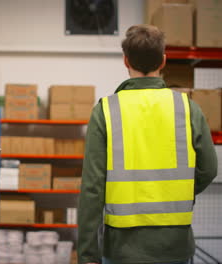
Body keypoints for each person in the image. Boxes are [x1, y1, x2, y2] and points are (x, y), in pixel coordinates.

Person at [78, 24, 218, 264]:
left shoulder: (106, 111)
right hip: (175, 246)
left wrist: (88, 254)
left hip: (122, 250)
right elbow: (209, 169)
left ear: (125, 61)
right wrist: (176, 193)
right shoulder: (187, 109)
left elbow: (92, 188)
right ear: (163, 61)